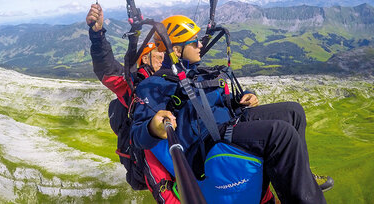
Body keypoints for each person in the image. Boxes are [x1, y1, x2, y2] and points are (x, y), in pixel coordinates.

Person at [130, 15, 333, 204]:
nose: (200, 45)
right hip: (206, 143)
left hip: (227, 123)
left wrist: (242, 98)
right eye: (194, 42)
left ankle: (304, 178)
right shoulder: (155, 85)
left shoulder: (193, 73)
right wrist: (152, 128)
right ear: (176, 50)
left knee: (293, 112)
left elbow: (214, 102)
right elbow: (137, 135)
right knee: (281, 134)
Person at [86, 4, 182, 203]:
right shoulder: (132, 84)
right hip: (151, 159)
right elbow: (107, 70)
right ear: (145, 57)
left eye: (163, 53)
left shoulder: (169, 78)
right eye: (157, 54)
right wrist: (97, 35)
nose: (162, 57)